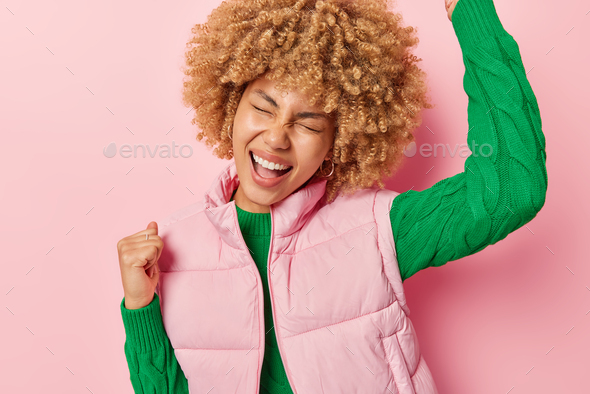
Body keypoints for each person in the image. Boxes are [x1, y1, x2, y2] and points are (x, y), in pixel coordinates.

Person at [117, 0, 548, 392]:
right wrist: (140, 307)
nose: (276, 137)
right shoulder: (172, 247)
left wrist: (469, 12)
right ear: (231, 109)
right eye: (263, 108)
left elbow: (512, 190)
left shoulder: (379, 229)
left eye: (307, 124)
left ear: (335, 146)